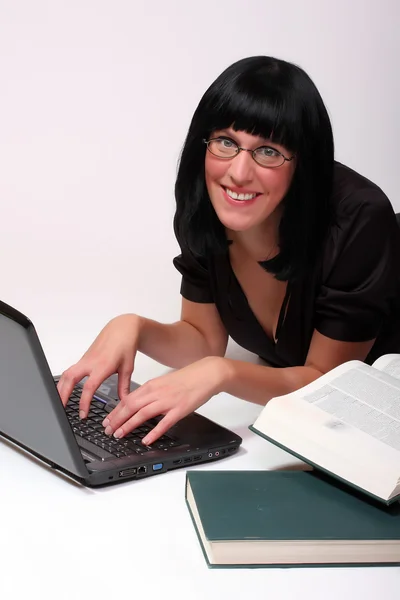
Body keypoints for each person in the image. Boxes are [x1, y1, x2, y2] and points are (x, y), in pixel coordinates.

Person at [57, 55, 400, 447]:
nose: (238, 173)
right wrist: (133, 327)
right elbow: (202, 338)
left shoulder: (359, 221)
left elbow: (325, 384)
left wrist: (222, 374)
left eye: (268, 151)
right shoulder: (206, 208)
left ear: (303, 164)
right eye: (226, 142)